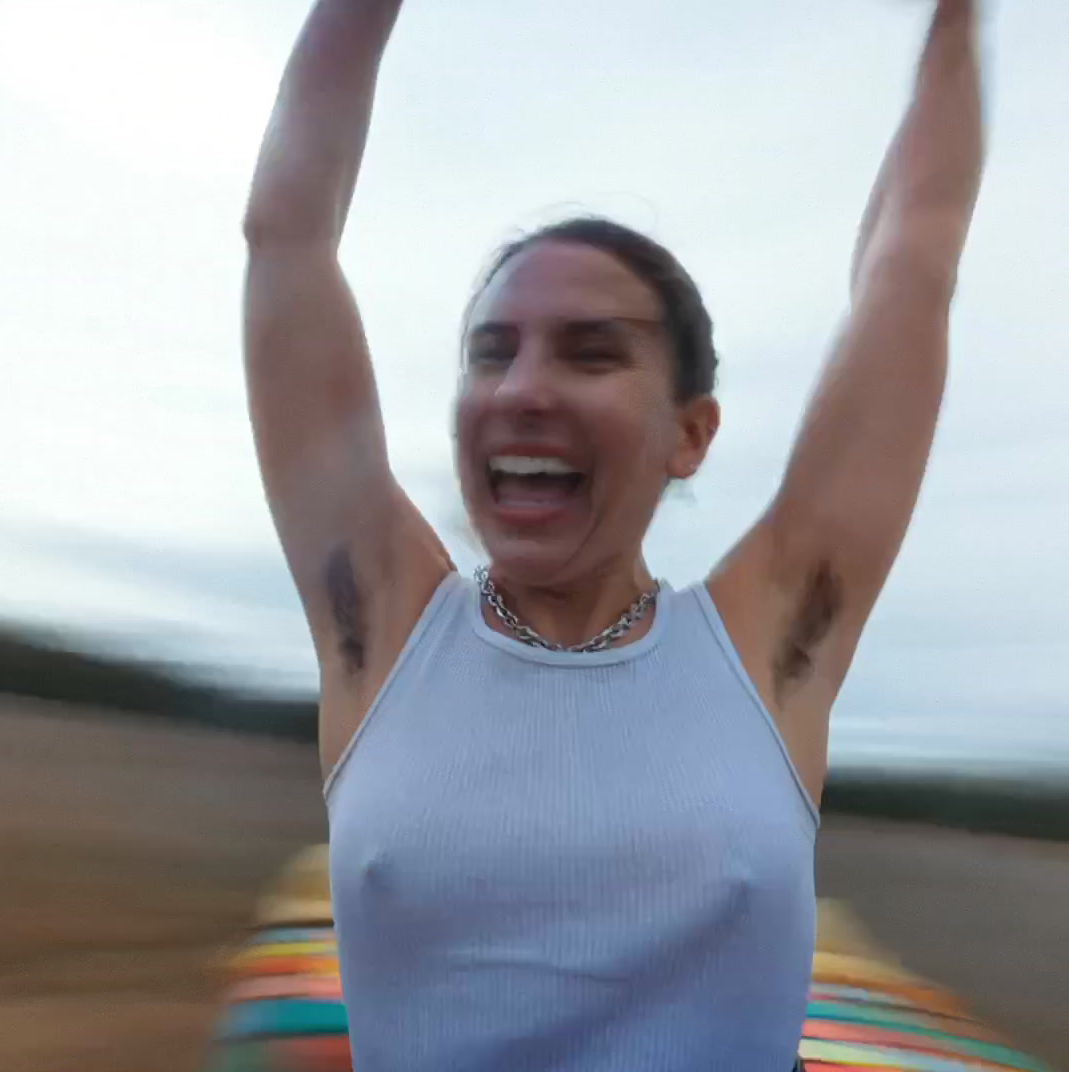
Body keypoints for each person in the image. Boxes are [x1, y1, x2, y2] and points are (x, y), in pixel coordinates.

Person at [240, 1, 984, 1069]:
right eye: (492, 352)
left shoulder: (769, 645)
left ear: (690, 433)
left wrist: (955, 26)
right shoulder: (382, 626)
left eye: (591, 354)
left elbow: (911, 266)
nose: (524, 388)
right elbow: (287, 237)